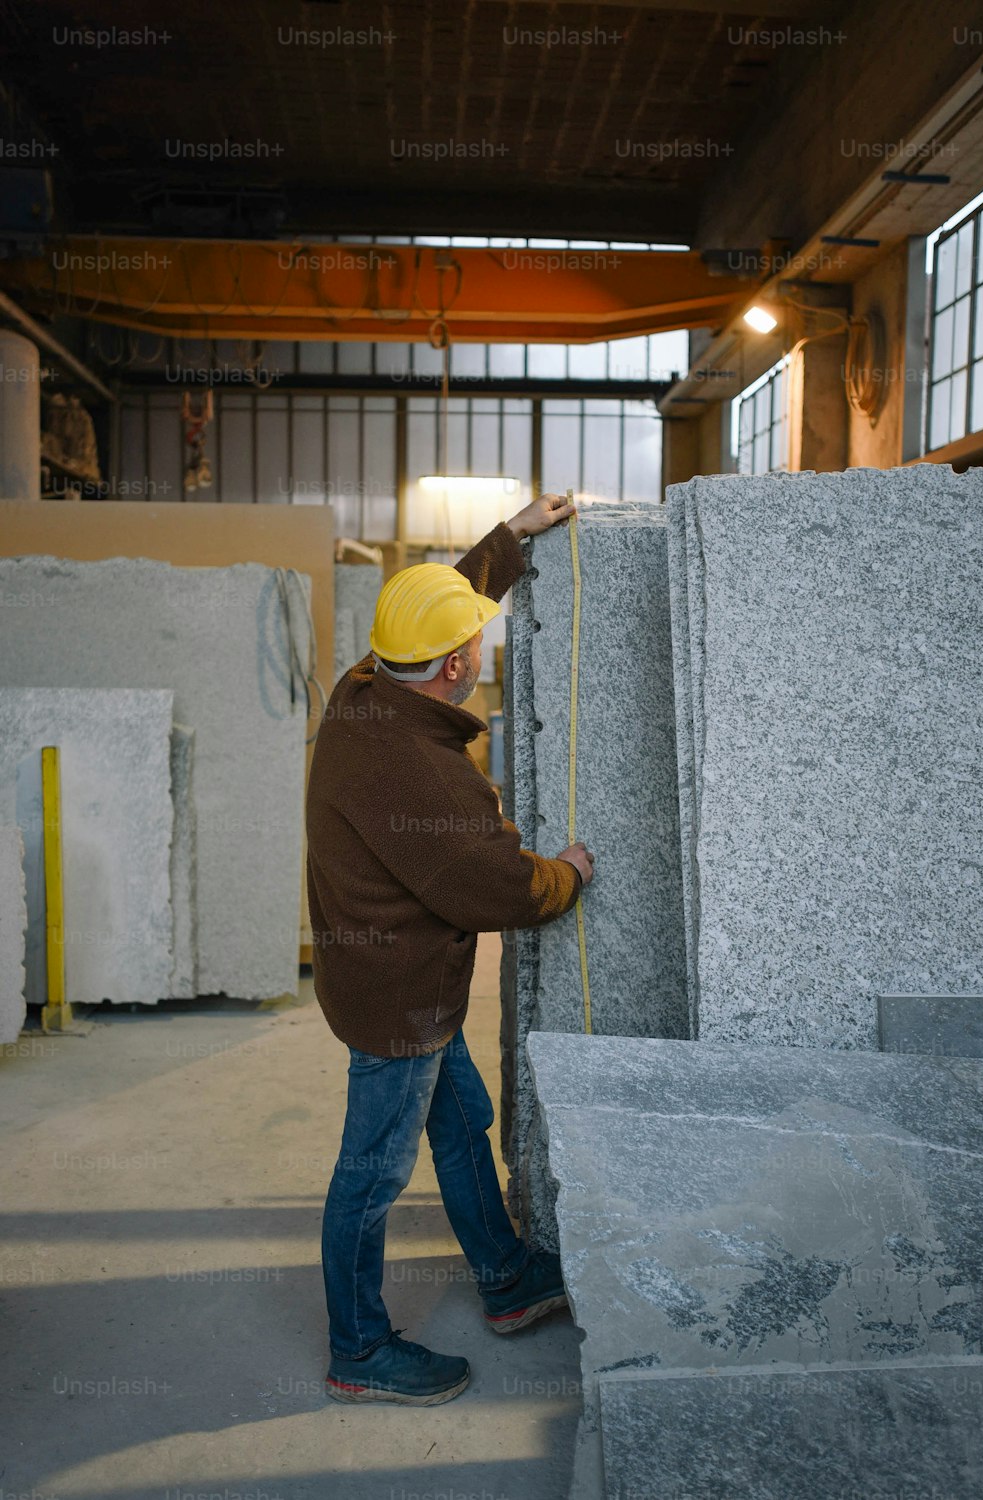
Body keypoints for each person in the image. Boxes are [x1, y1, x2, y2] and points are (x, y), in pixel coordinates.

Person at [306, 492, 595, 1405]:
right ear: (458, 667)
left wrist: (510, 540)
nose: (478, 649)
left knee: (459, 1119)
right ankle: (358, 1348)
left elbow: (433, 612)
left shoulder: (367, 685)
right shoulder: (424, 776)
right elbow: (504, 890)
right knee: (372, 1173)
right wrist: (572, 873)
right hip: (399, 1001)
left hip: (397, 976)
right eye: (471, 643)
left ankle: (507, 1279)